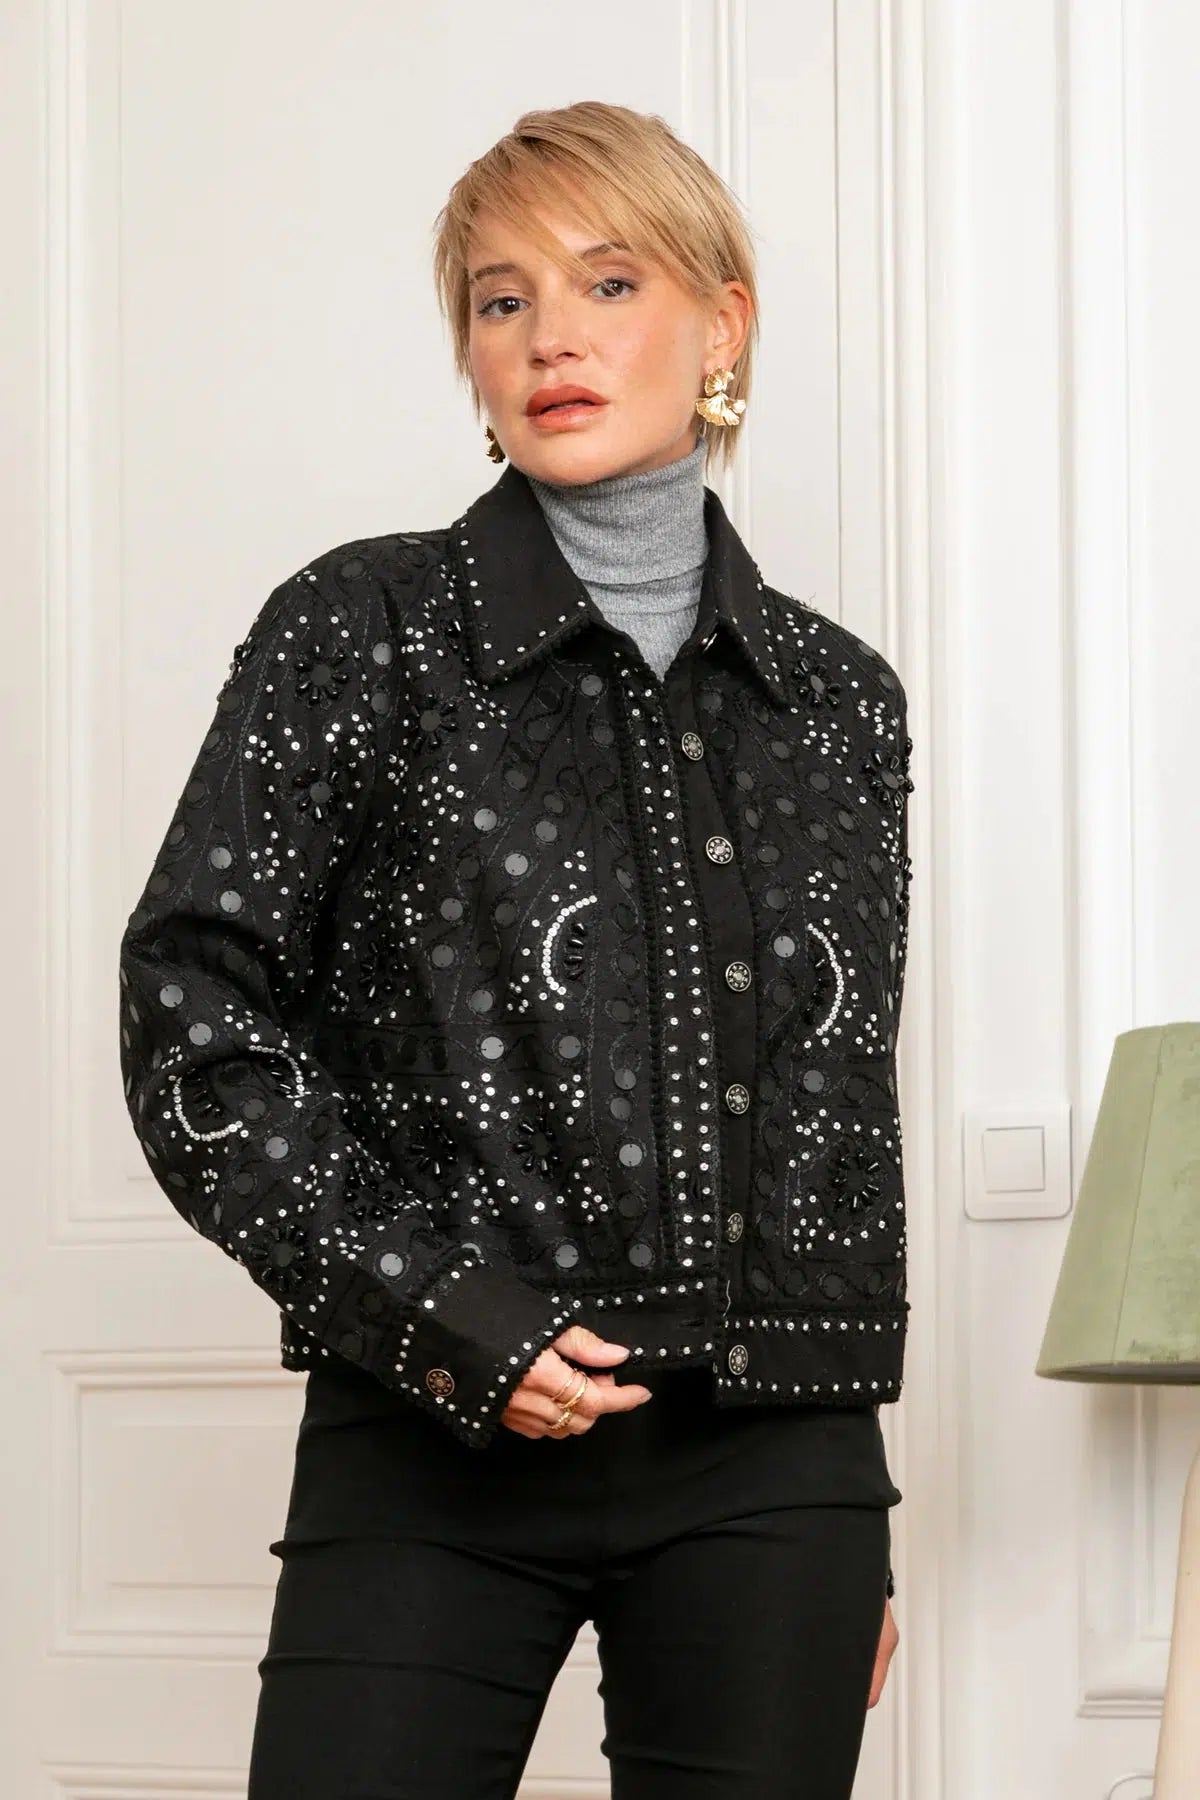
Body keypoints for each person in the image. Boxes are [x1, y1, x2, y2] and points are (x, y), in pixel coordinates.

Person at [118, 100, 913, 1800]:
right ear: (473, 361)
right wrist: (437, 1310)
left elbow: (826, 1100)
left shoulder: (840, 702)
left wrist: (854, 1515)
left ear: (723, 326)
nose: (552, 335)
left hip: (776, 1472)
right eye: (502, 299)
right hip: (428, 1432)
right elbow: (194, 1014)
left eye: (609, 283)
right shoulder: (359, 630)